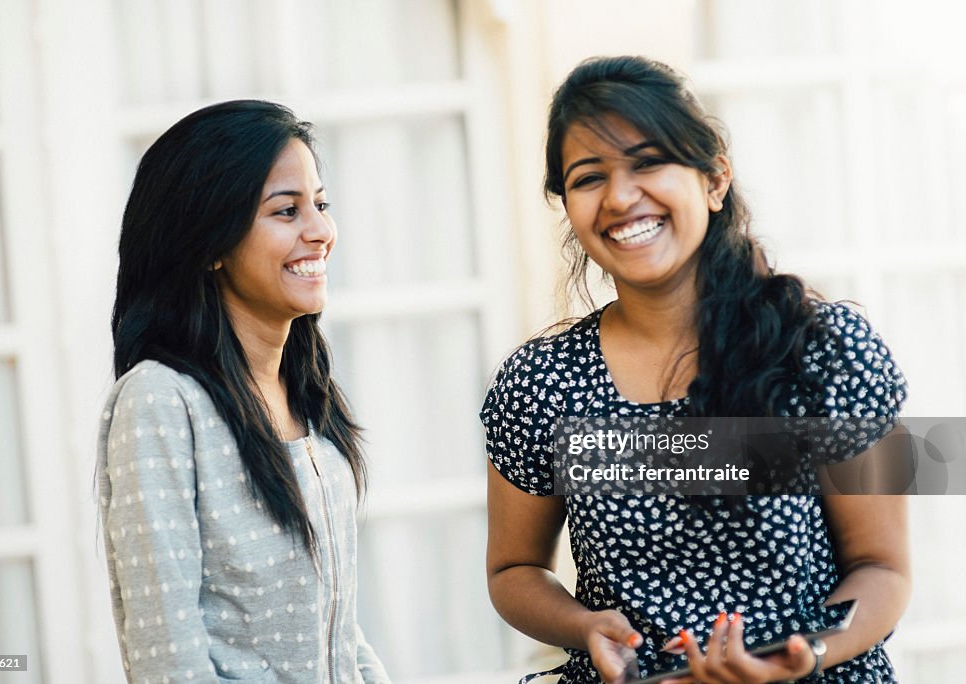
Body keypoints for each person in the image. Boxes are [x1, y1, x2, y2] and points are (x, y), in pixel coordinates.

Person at [482, 56, 909, 683]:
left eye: (649, 163)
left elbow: (884, 567)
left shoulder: (827, 350)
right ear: (567, 205)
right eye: (588, 177)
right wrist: (584, 625)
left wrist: (803, 655)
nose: (622, 197)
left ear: (714, 180)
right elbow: (512, 571)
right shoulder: (540, 381)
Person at [97, 100, 390, 683]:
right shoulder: (162, 401)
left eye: (321, 204)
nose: (321, 232)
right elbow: (167, 657)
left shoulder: (306, 393)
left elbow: (338, 628)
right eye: (286, 211)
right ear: (210, 243)